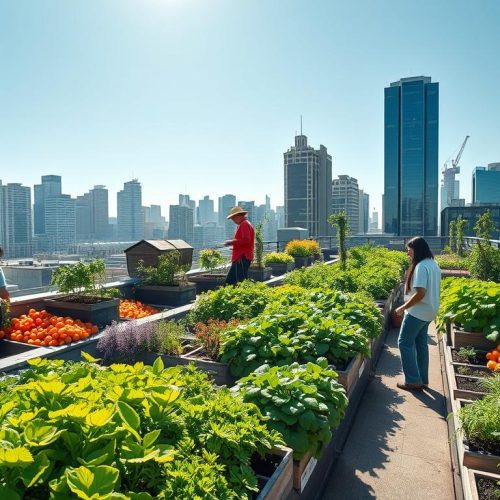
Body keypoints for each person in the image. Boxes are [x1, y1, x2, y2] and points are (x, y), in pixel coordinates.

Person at [394, 236, 441, 391]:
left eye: (409, 250)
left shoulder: (421, 266)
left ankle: (413, 380)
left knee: (404, 342)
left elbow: (420, 293)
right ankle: (422, 379)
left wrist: (403, 308)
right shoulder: (433, 264)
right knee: (421, 344)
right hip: (430, 311)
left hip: (418, 312)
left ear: (417, 250)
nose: (408, 253)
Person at [224, 206, 255, 285]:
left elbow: (246, 240)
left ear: (239, 215)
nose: (233, 220)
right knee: (231, 280)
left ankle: (244, 295)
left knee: (240, 281)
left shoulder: (244, 224)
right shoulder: (246, 224)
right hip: (241, 256)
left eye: (234, 218)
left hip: (241, 256)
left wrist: (231, 242)